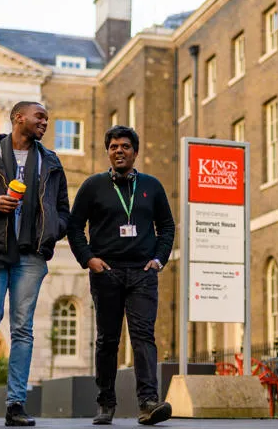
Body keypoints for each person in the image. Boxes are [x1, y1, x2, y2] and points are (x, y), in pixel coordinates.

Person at [0, 101, 70, 427]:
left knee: (23, 329)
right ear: (18, 118)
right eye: (40, 117)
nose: (45, 122)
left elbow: (63, 209)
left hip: (31, 255)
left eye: (47, 117)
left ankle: (16, 403)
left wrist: (52, 230)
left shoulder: (50, 162)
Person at [67, 126, 175, 426]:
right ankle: (105, 403)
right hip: (107, 272)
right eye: (113, 146)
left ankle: (148, 403)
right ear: (108, 151)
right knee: (107, 340)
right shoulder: (93, 186)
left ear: (135, 152)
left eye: (125, 146)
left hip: (142, 272)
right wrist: (89, 259)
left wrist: (158, 260)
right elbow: (74, 227)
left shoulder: (151, 186)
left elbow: (166, 226)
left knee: (143, 337)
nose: (119, 150)